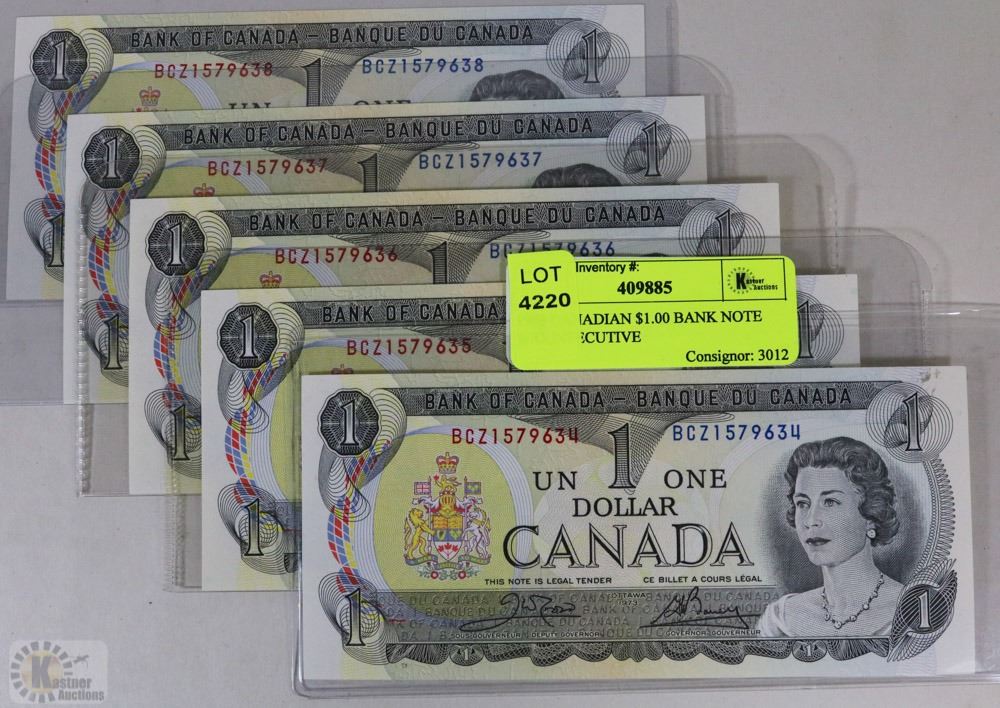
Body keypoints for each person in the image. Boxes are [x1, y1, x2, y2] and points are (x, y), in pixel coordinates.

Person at [757, 437, 904, 636]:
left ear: (871, 515)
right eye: (803, 504)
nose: (811, 520)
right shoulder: (780, 619)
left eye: (830, 502)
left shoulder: (912, 611)